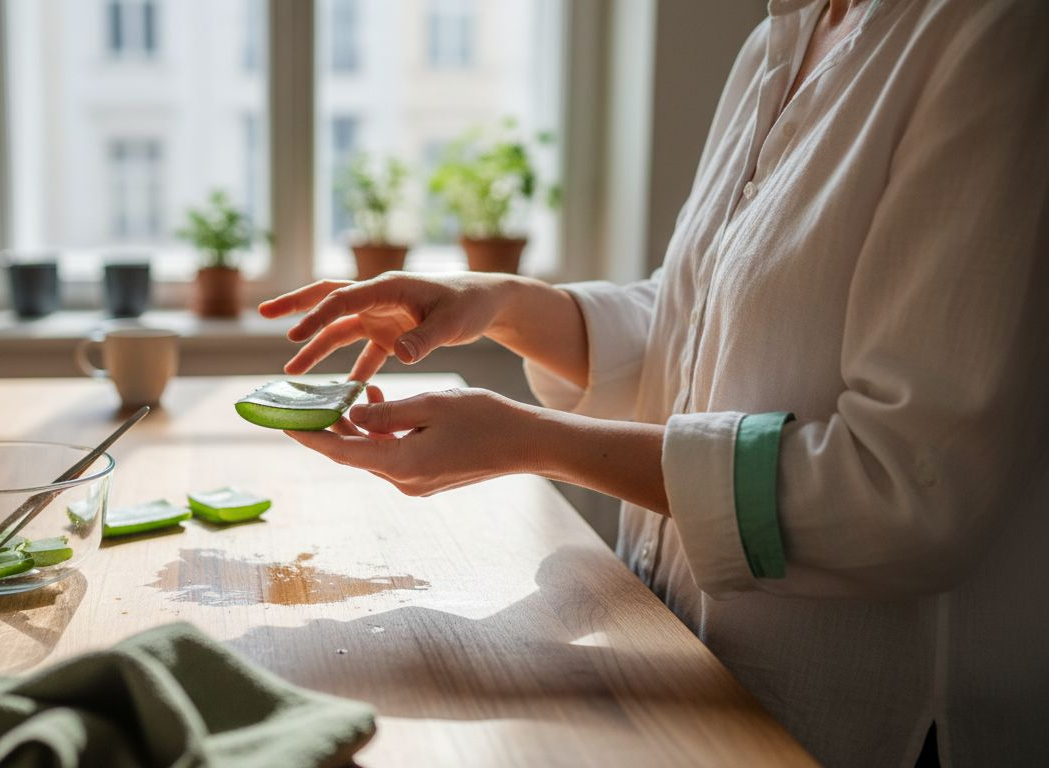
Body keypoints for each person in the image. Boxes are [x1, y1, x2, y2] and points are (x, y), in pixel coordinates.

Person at [259, 0, 1049, 765]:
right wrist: (499, 303)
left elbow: (907, 488)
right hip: (702, 673)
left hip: (875, 727)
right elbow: (692, 315)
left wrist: (533, 442)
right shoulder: (780, 41)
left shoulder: (988, 30)